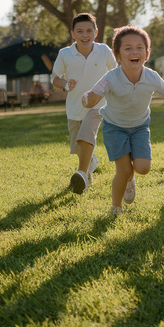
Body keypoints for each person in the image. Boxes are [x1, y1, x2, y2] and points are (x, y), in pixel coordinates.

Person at [81, 25, 164, 215]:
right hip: (114, 127)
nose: (134, 52)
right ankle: (116, 207)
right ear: (117, 54)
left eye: (139, 47)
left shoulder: (151, 77)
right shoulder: (111, 77)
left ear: (147, 52)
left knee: (143, 168)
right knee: (124, 169)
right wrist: (88, 99)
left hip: (139, 127)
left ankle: (130, 178)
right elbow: (94, 95)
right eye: (127, 48)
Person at [51, 13, 117, 194]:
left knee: (87, 134)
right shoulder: (64, 54)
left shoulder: (104, 51)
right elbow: (55, 79)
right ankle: (90, 165)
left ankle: (81, 173)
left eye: (89, 30)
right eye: (80, 31)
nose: (84, 35)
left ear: (96, 32)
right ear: (73, 34)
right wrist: (65, 85)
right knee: (78, 146)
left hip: (98, 104)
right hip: (74, 107)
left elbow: (116, 72)